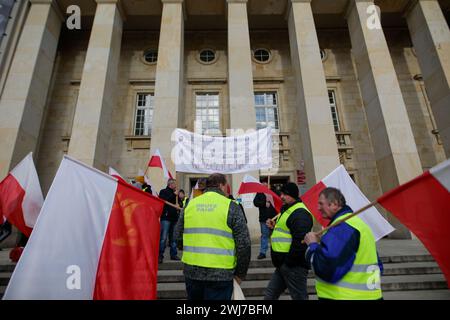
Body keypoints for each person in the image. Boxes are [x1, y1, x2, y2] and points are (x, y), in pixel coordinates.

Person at [174, 173, 251, 300]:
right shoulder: (231, 206)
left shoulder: (190, 205)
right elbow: (244, 244)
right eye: (226, 186)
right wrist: (240, 274)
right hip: (221, 274)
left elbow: (177, 237)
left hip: (192, 273)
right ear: (221, 185)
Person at [304, 187, 383, 300]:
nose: (318, 208)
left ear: (335, 204)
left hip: (344, 297)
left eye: (321, 204)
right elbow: (378, 264)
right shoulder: (358, 224)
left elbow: (327, 268)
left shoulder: (342, 227)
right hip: (370, 296)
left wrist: (312, 245)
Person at [264, 182, 314, 300]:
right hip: (283, 265)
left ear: (293, 195)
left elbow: (300, 242)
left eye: (285, 194)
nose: (281, 196)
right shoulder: (287, 209)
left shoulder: (300, 213)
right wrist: (274, 226)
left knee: (299, 297)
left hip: (293, 265)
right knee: (270, 295)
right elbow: (286, 231)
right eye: (281, 193)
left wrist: (288, 263)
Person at [159, 178, 181, 263]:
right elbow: (163, 201)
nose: (176, 186)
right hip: (166, 218)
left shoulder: (175, 194)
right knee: (163, 238)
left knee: (173, 238)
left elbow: (178, 203)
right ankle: (160, 255)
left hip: (174, 218)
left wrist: (179, 203)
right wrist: (173, 194)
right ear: (170, 184)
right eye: (175, 184)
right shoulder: (163, 191)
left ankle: (173, 254)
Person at [253, 182, 277, 259]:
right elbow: (255, 202)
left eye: (266, 184)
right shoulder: (259, 193)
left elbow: (280, 201)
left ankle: (276, 251)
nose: (265, 186)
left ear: (269, 185)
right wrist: (264, 203)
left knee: (275, 235)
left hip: (274, 218)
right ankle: (263, 252)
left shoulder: (274, 192)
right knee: (264, 235)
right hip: (264, 219)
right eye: (263, 185)